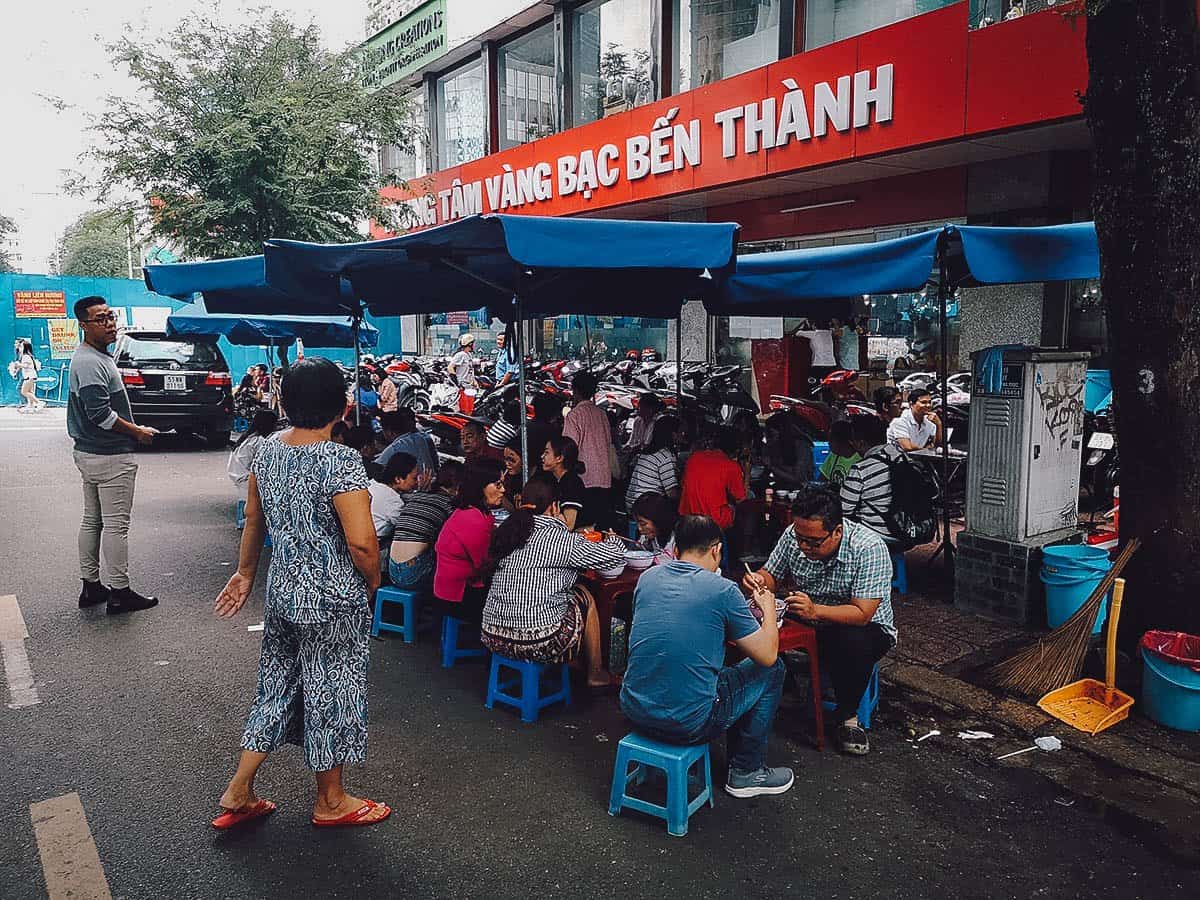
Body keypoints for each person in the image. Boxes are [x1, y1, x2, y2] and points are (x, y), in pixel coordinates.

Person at [212, 356, 390, 830]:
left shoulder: (267, 451)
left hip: (285, 593)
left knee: (276, 686)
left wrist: (245, 573)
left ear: (285, 402)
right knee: (331, 692)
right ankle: (330, 800)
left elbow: (254, 519)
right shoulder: (340, 459)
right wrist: (372, 581)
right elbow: (362, 541)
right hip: (334, 600)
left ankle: (240, 789)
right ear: (343, 406)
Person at [620, 515, 794, 798]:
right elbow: (767, 655)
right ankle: (746, 771)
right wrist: (769, 608)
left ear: (675, 551)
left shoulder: (648, 578)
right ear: (716, 550)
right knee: (773, 671)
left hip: (634, 709)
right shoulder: (722, 590)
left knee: (714, 671)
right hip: (689, 724)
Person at [742, 487, 896, 755]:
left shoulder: (868, 548)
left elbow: (862, 613)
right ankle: (777, 684)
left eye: (813, 542)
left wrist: (817, 612)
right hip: (807, 612)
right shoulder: (795, 535)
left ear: (837, 531)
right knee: (753, 616)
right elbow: (772, 574)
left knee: (852, 641)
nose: (804, 547)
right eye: (800, 538)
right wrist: (758, 580)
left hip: (861, 625)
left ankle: (848, 717)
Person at [482, 477, 622, 689]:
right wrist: (612, 538)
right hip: (537, 642)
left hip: (492, 637)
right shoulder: (561, 539)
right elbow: (615, 556)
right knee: (584, 595)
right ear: (555, 506)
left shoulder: (509, 532)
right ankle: (595, 672)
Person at [67, 295, 159, 614]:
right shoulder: (91, 362)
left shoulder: (90, 357)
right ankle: (120, 592)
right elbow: (100, 415)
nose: (109, 324)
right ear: (83, 326)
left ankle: (91, 587)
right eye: (100, 319)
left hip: (89, 453)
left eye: (110, 317)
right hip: (108, 456)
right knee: (116, 525)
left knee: (93, 520)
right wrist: (138, 432)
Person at [433, 459, 506, 626]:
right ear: (480, 486)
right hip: (457, 596)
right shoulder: (473, 519)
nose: (503, 490)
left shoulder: (474, 511)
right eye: (497, 484)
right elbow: (485, 564)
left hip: (455, 588)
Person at [388, 461, 462, 590]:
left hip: (392, 570)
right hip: (413, 573)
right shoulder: (449, 503)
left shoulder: (417, 496)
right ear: (458, 484)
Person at [562, 370, 613, 529]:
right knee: (599, 527)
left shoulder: (574, 416)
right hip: (604, 477)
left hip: (584, 479)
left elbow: (568, 447)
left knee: (584, 528)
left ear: (575, 390)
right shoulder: (602, 414)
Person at [840, 416, 899, 542]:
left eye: (853, 441)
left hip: (877, 534)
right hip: (908, 530)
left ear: (860, 443)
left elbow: (843, 509)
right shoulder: (903, 457)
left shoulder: (861, 469)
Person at [678, 428, 747, 532]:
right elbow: (741, 498)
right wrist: (747, 473)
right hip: (714, 521)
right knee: (739, 508)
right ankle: (738, 543)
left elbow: (683, 484)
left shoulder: (694, 457)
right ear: (737, 450)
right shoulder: (732, 466)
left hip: (688, 515)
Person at [368, 452, 421, 552]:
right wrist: (422, 495)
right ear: (398, 479)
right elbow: (409, 528)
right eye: (414, 478)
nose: (417, 482)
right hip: (376, 547)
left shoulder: (372, 484)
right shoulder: (393, 501)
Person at [625, 415, 679, 510]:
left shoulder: (648, 451)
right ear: (673, 434)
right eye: (680, 432)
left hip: (631, 502)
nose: (682, 435)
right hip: (644, 507)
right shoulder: (666, 456)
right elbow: (672, 493)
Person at [539, 434, 588, 530]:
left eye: (547, 452)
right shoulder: (560, 480)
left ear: (559, 458)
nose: (542, 456)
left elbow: (569, 525)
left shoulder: (571, 483)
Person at [376, 408, 438, 476]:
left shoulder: (395, 448)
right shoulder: (420, 438)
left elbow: (375, 467)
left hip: (418, 484)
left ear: (389, 432)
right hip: (430, 479)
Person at [763, 413, 814, 490]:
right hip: (780, 487)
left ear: (782, 432)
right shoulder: (774, 445)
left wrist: (771, 467)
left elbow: (798, 478)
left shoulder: (801, 445)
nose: (769, 438)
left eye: (771, 434)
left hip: (799, 490)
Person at [228, 410, 279, 486]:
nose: (276, 427)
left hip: (239, 478)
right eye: (275, 424)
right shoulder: (257, 441)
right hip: (246, 480)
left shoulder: (247, 438)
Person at [631, 491, 677, 560]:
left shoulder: (678, 540)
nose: (639, 528)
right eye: (637, 523)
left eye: (643, 524)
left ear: (658, 520)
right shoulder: (646, 539)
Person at [818, 419, 860, 488]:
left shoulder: (859, 460)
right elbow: (821, 480)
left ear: (842, 442)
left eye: (831, 440)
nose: (828, 443)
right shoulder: (833, 455)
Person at [448, 333, 478, 413]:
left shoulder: (468, 355)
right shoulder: (460, 355)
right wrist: (457, 382)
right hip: (463, 386)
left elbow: (470, 370)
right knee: (465, 410)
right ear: (470, 344)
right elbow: (450, 367)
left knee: (470, 409)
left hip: (470, 386)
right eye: (473, 343)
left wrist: (474, 381)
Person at [15, 340, 44, 412]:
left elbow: (26, 365)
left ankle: (39, 402)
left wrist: (18, 365)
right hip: (31, 376)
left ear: (25, 348)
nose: (20, 348)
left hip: (29, 376)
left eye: (21, 346)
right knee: (30, 392)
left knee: (24, 391)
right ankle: (30, 405)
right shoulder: (28, 356)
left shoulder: (25, 356)